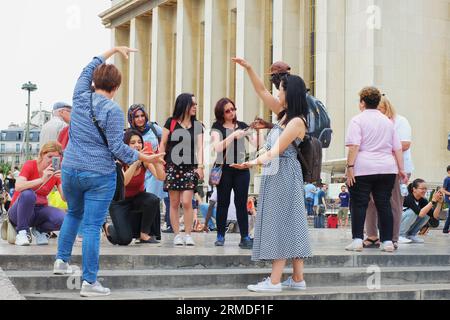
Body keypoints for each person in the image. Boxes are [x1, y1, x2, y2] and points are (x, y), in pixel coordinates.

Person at [54, 47, 165, 298]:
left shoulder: (80, 95)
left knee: (73, 213)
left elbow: (88, 66)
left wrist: (113, 50)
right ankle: (89, 282)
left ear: (94, 81)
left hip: (70, 169)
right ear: (115, 87)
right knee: (92, 226)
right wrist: (144, 156)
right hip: (98, 174)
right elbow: (117, 148)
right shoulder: (113, 110)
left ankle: (61, 261)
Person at [232, 58, 313, 293]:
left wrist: (250, 162)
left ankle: (274, 281)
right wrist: (249, 68)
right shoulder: (285, 116)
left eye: (281, 89)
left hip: (283, 173)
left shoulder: (296, 121)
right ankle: (298, 279)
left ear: (290, 93)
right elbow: (261, 90)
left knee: (280, 223)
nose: (277, 93)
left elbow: (275, 150)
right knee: (292, 222)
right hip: (280, 173)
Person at [345, 87, 407, 253]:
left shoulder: (357, 120)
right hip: (387, 168)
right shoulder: (388, 121)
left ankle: (358, 240)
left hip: (363, 168)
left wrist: (350, 167)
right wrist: (401, 169)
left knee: (360, 204)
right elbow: (397, 148)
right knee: (384, 204)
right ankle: (387, 241)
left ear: (362, 102)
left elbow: (354, 146)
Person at [365, 95, 414, 249]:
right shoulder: (373, 122)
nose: (377, 113)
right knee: (370, 202)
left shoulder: (400, 121)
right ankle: (372, 236)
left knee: (394, 203)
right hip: (375, 168)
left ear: (387, 108)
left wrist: (380, 147)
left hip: (398, 169)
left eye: (380, 110)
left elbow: (405, 144)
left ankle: (392, 238)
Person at [103, 129, 165, 245]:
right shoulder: (118, 161)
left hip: (137, 198)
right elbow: (124, 182)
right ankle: (107, 227)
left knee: (152, 200)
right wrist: (136, 161)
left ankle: (144, 234)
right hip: (119, 202)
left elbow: (161, 177)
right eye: (133, 142)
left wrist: (155, 161)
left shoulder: (145, 160)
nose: (137, 145)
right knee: (125, 240)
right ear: (126, 145)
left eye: (139, 142)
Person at [210, 98, 256, 249]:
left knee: (241, 204)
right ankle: (220, 235)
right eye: (227, 111)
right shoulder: (217, 127)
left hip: (241, 169)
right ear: (221, 113)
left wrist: (254, 131)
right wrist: (232, 136)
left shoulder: (242, 126)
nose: (231, 113)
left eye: (233, 109)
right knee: (223, 203)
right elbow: (217, 148)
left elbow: (256, 144)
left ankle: (245, 236)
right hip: (224, 170)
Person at [159, 93, 204, 247]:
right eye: (193, 104)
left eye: (196, 105)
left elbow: (200, 147)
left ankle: (188, 234)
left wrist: (201, 166)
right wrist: (160, 164)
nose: (195, 107)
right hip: (172, 166)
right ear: (184, 105)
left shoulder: (197, 125)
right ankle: (177, 234)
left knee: (187, 202)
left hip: (190, 167)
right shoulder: (170, 123)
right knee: (174, 202)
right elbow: (163, 143)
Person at [8, 142, 66, 246]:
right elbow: (18, 186)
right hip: (18, 211)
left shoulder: (57, 172)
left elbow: (65, 198)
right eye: (49, 156)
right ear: (42, 155)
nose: (52, 160)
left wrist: (64, 180)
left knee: (65, 220)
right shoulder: (30, 164)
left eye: (56, 158)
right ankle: (22, 232)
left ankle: (40, 230)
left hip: (39, 210)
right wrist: (42, 179)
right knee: (28, 194)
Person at [127, 104, 166, 201]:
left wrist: (161, 153)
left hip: (154, 169)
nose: (140, 119)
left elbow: (166, 139)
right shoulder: (128, 134)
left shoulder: (153, 128)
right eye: (136, 116)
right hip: (138, 170)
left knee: (152, 199)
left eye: (142, 115)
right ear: (131, 118)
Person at [442, 166, 450, 234]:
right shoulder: (447, 179)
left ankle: (446, 229)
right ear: (448, 171)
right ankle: (445, 229)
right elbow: (443, 190)